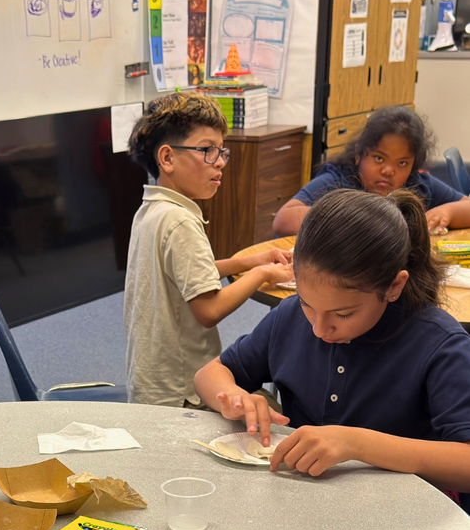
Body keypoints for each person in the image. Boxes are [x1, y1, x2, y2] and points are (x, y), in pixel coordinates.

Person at [193, 188, 470, 502]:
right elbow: (209, 374)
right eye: (308, 305)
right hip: (304, 503)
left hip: (401, 517)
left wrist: (356, 444)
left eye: (343, 313)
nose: (319, 328)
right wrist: (233, 397)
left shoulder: (438, 344)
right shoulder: (289, 316)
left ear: (394, 286)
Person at [124, 93, 294, 407]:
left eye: (221, 151)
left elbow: (186, 273)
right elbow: (209, 311)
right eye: (206, 150)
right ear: (168, 158)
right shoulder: (180, 222)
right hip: (183, 392)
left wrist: (249, 260)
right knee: (270, 409)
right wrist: (262, 273)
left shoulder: (153, 208)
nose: (219, 162)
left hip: (151, 384)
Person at [273, 105, 470, 237]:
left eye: (401, 163)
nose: (388, 171)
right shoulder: (339, 179)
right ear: (359, 153)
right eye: (379, 158)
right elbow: (283, 220)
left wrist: (447, 211)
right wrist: (347, 220)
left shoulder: (416, 185)